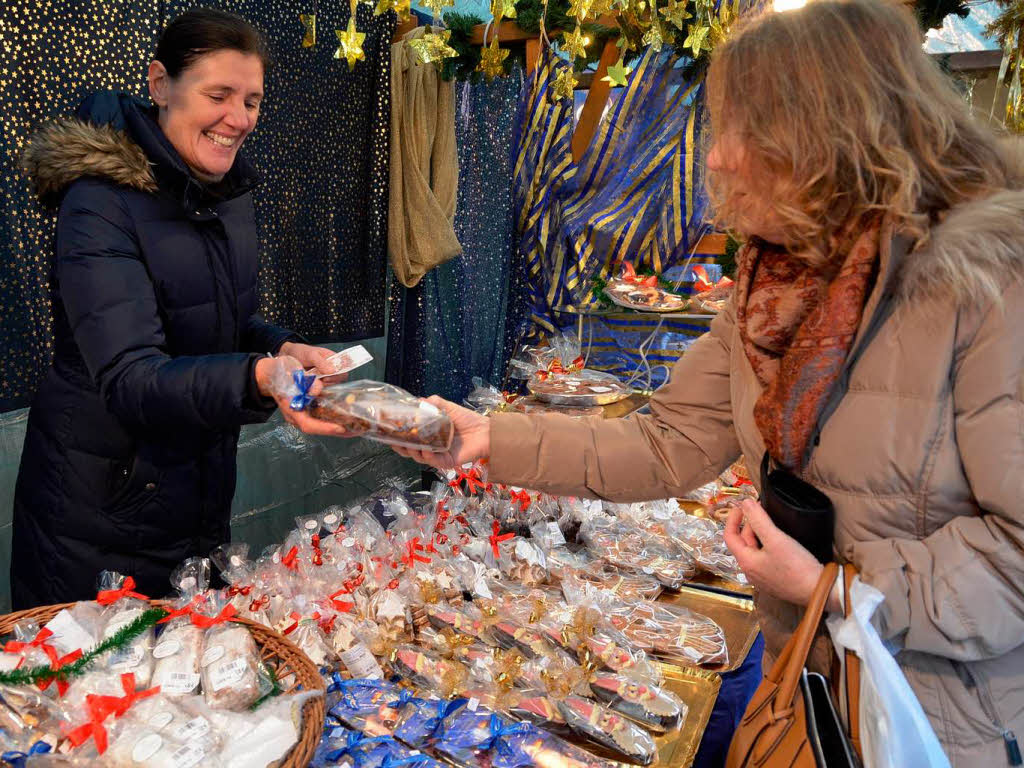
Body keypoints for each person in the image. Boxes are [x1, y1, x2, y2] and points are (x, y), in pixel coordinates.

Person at [394, 0, 1024, 763]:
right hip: (804, 687)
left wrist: (839, 587)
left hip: (938, 720)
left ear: (825, 128)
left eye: (740, 129)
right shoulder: (773, 280)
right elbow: (666, 443)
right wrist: (486, 437)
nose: (718, 157)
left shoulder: (991, 285)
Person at [13, 8, 345, 608]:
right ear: (160, 85)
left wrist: (281, 348)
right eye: (218, 94)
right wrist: (257, 377)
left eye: (252, 101)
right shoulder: (99, 204)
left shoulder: (227, 193)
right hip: (100, 517)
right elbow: (132, 378)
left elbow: (214, 321)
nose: (237, 119)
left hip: (193, 499)